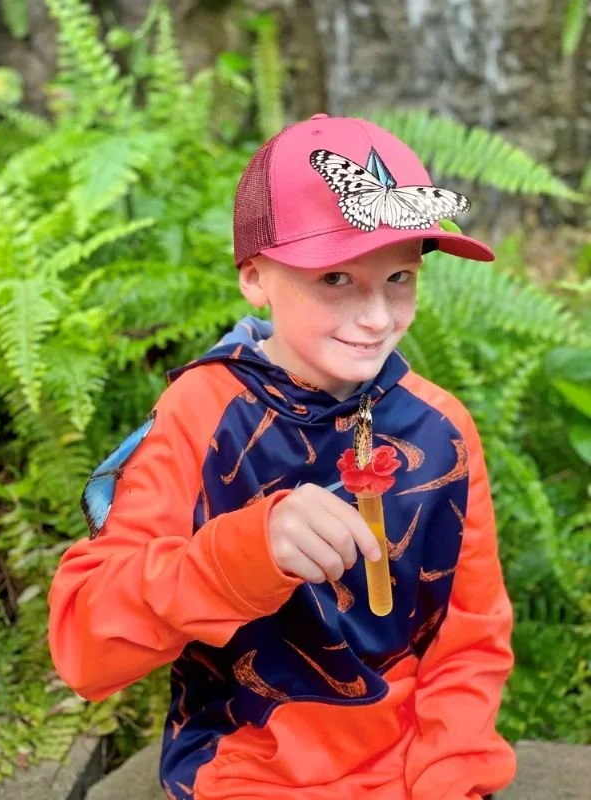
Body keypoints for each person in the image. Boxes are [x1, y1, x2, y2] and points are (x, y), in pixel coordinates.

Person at [48, 114, 517, 800]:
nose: (379, 318)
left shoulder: (441, 426)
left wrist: (451, 777)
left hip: (417, 771)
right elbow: (85, 648)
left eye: (399, 278)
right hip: (245, 773)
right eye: (335, 278)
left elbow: (470, 641)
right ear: (254, 277)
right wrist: (242, 555)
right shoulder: (198, 414)